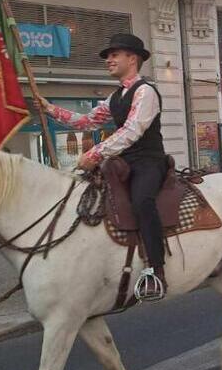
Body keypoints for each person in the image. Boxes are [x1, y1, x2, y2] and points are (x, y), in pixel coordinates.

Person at [36, 33, 168, 299]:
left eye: (114, 54)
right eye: (108, 56)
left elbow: (132, 131)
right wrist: (50, 109)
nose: (108, 59)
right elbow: (87, 121)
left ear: (133, 59)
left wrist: (95, 154)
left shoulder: (145, 92)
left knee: (142, 201)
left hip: (148, 162)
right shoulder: (116, 96)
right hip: (123, 161)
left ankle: (156, 269)